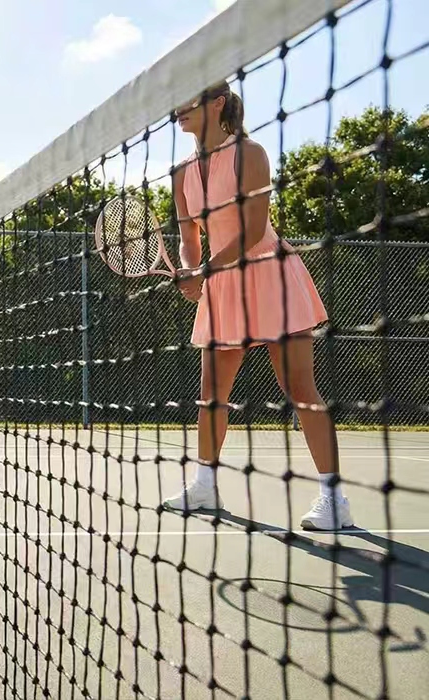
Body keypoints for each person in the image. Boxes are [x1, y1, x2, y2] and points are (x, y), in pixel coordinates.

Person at [163, 81, 353, 532]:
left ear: (217, 102)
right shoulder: (180, 172)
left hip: (269, 273)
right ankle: (205, 484)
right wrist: (192, 270)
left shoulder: (251, 154)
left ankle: (334, 499)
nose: (177, 110)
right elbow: (190, 240)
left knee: (299, 388)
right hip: (222, 285)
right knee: (212, 393)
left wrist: (203, 270)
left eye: (186, 100)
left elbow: (250, 231)